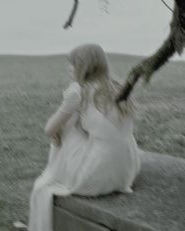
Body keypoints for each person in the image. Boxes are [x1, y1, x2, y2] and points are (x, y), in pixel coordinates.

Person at [28, 44, 141, 231]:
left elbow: (48, 129)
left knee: (64, 126)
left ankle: (54, 173)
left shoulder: (78, 91)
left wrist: (59, 128)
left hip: (96, 176)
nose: (68, 68)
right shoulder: (118, 87)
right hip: (127, 170)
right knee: (83, 125)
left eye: (72, 64)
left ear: (84, 66)